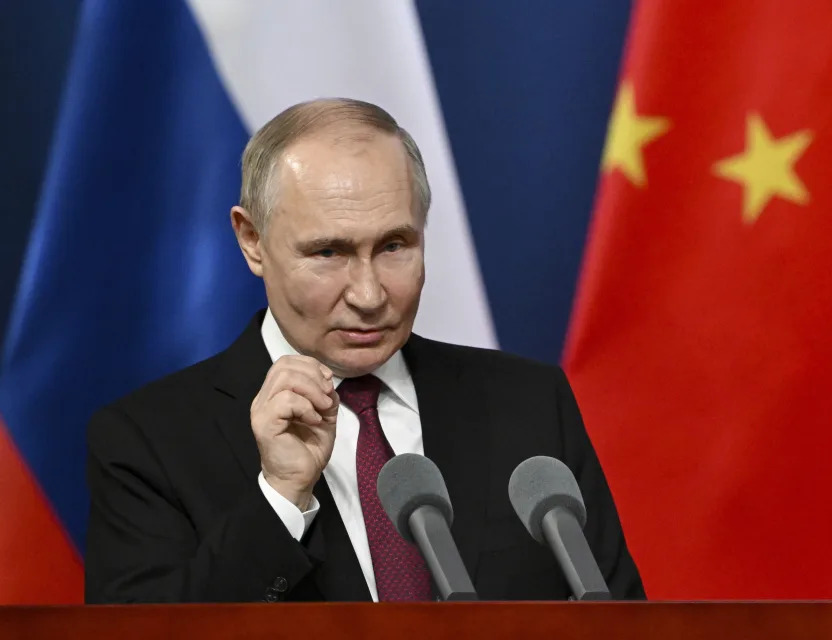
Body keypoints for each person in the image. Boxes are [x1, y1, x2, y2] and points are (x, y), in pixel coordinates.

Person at [85, 98, 644, 603]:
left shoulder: (528, 402)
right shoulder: (147, 441)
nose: (370, 295)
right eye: (329, 252)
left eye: (395, 245)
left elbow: (617, 614)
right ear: (252, 241)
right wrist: (280, 497)